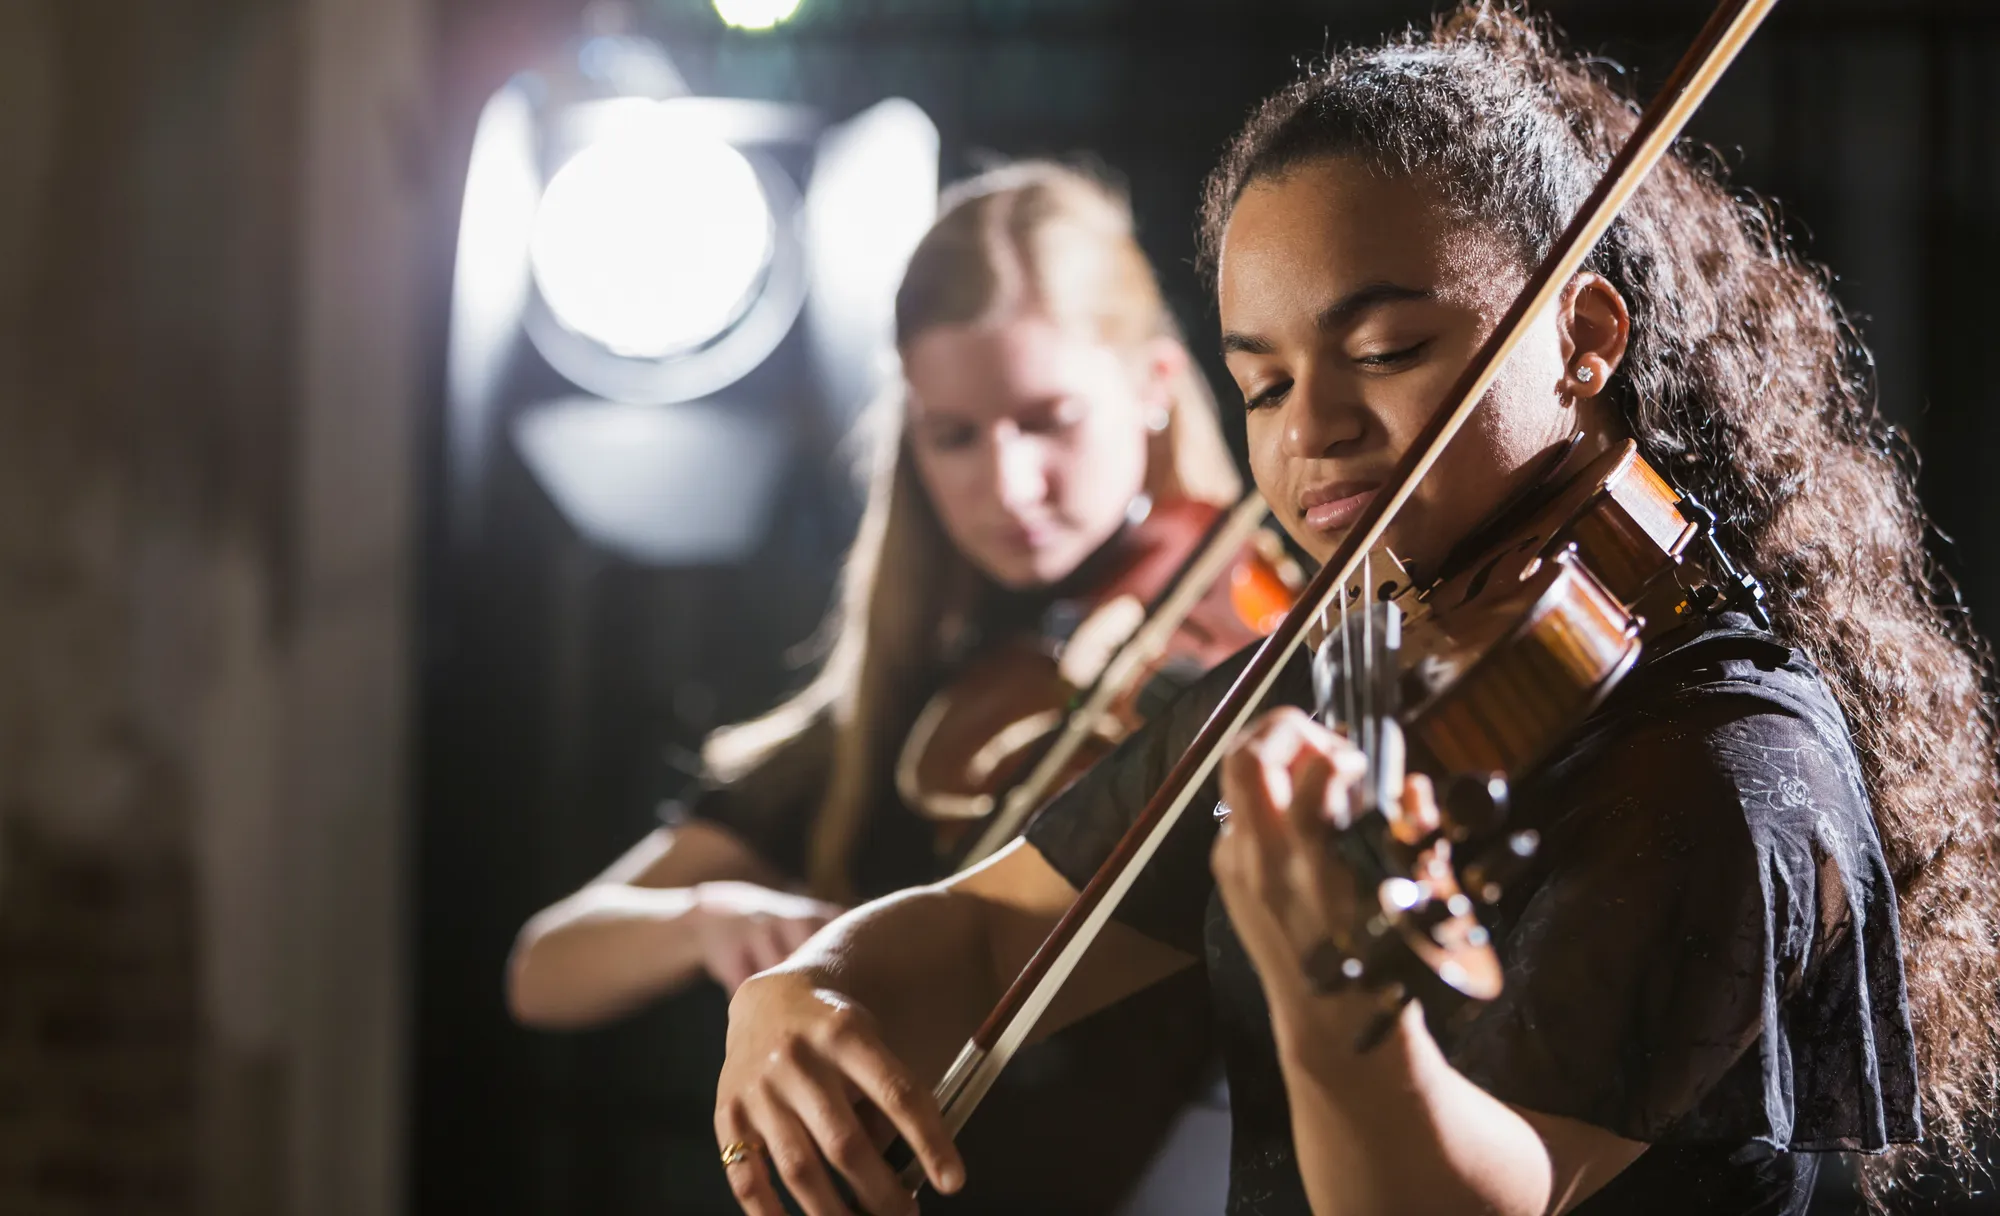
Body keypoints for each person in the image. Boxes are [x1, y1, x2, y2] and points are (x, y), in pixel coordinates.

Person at [711, 8, 2000, 1216]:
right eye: (1262, 385)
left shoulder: (1721, 770)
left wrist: (1343, 1013)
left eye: (1383, 353)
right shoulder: (1358, 659)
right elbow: (995, 922)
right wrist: (814, 981)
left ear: (1583, 335)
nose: (1313, 431)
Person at [508, 161, 1247, 1213]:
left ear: (1154, 390)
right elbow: (546, 966)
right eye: (954, 435)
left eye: (1048, 418)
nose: (1005, 483)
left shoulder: (1249, 639)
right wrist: (708, 918)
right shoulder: (903, 713)